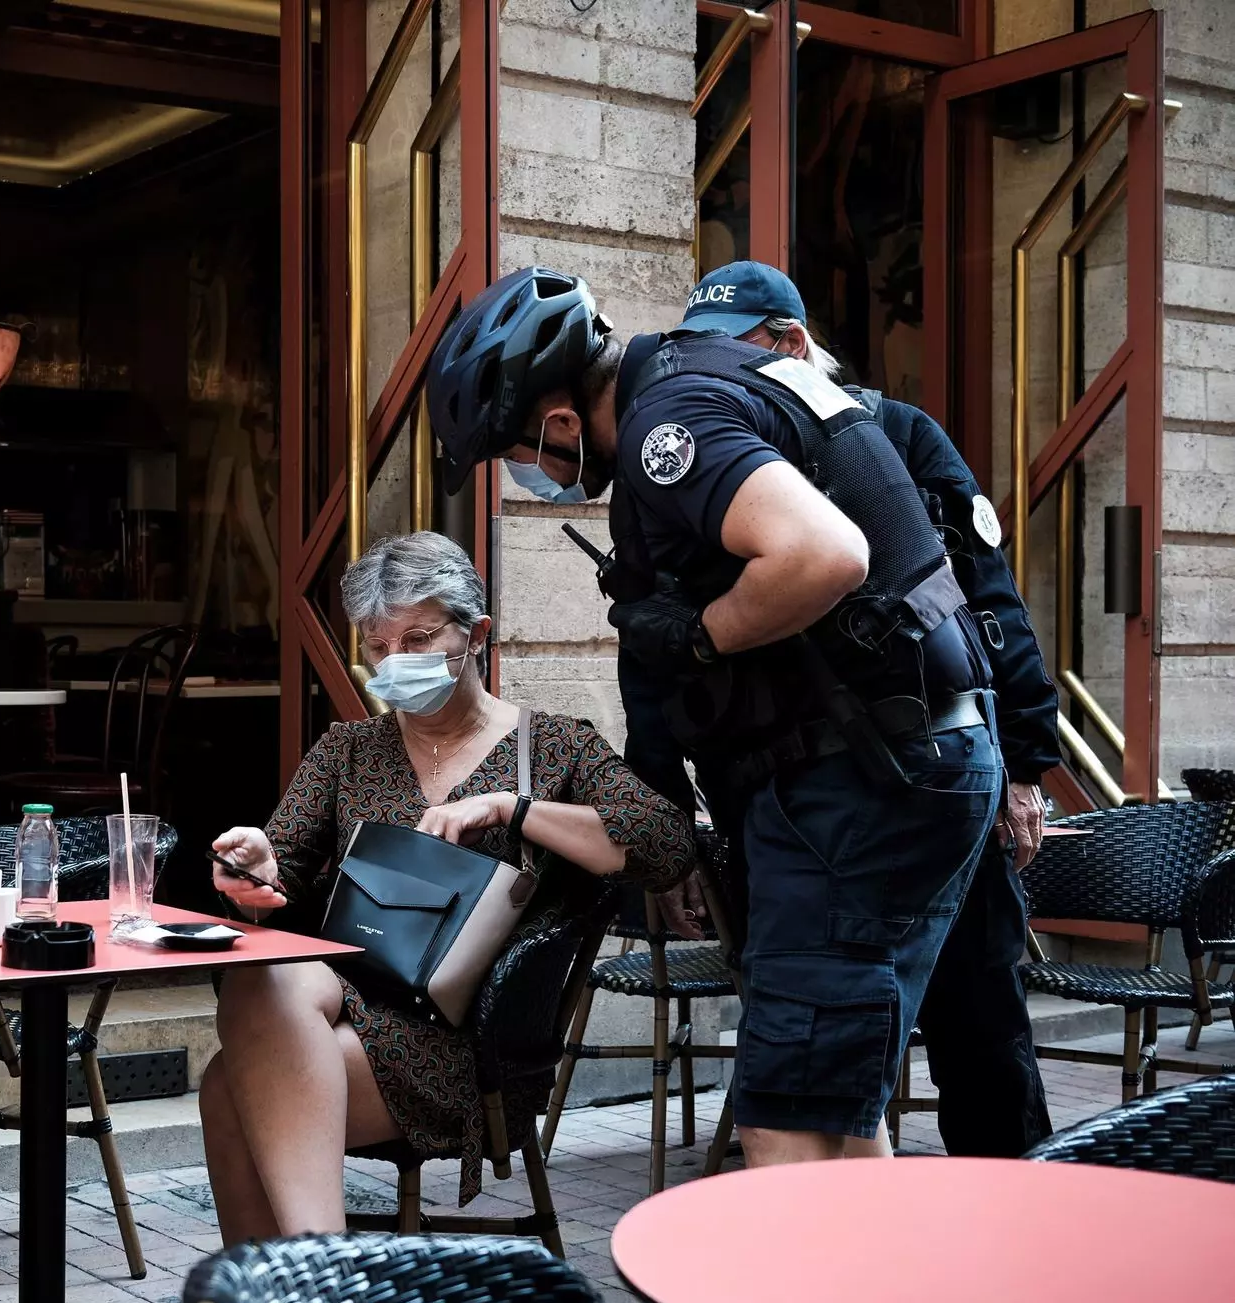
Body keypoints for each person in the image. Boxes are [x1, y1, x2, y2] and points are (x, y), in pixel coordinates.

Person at [426, 265, 1002, 1169]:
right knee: (838, 1103)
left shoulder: (671, 421)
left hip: (860, 780)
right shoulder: (718, 371)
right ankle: (879, 1301)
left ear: (563, 422)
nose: (526, 475)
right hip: (913, 758)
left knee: (783, 1121)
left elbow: (825, 553)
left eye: (517, 453)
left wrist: (701, 635)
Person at [201, 532, 693, 1244]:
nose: (396, 662)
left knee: (225, 1084)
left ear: (478, 633)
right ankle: (311, 1290)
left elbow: (664, 840)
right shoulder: (348, 749)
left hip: (470, 1045)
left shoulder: (553, 748)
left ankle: (295, 1302)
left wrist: (513, 808)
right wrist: (251, 872)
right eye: (377, 646)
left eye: (418, 637)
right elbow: (282, 872)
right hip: (337, 1006)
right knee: (260, 977)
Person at [670, 261, 1057, 1156]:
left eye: (736, 354)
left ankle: (1012, 1211)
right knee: (821, 1045)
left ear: (792, 345)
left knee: (980, 1014)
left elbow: (989, 605)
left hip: (932, 764)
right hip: (807, 798)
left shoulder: (896, 433)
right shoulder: (721, 456)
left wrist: (1025, 768)